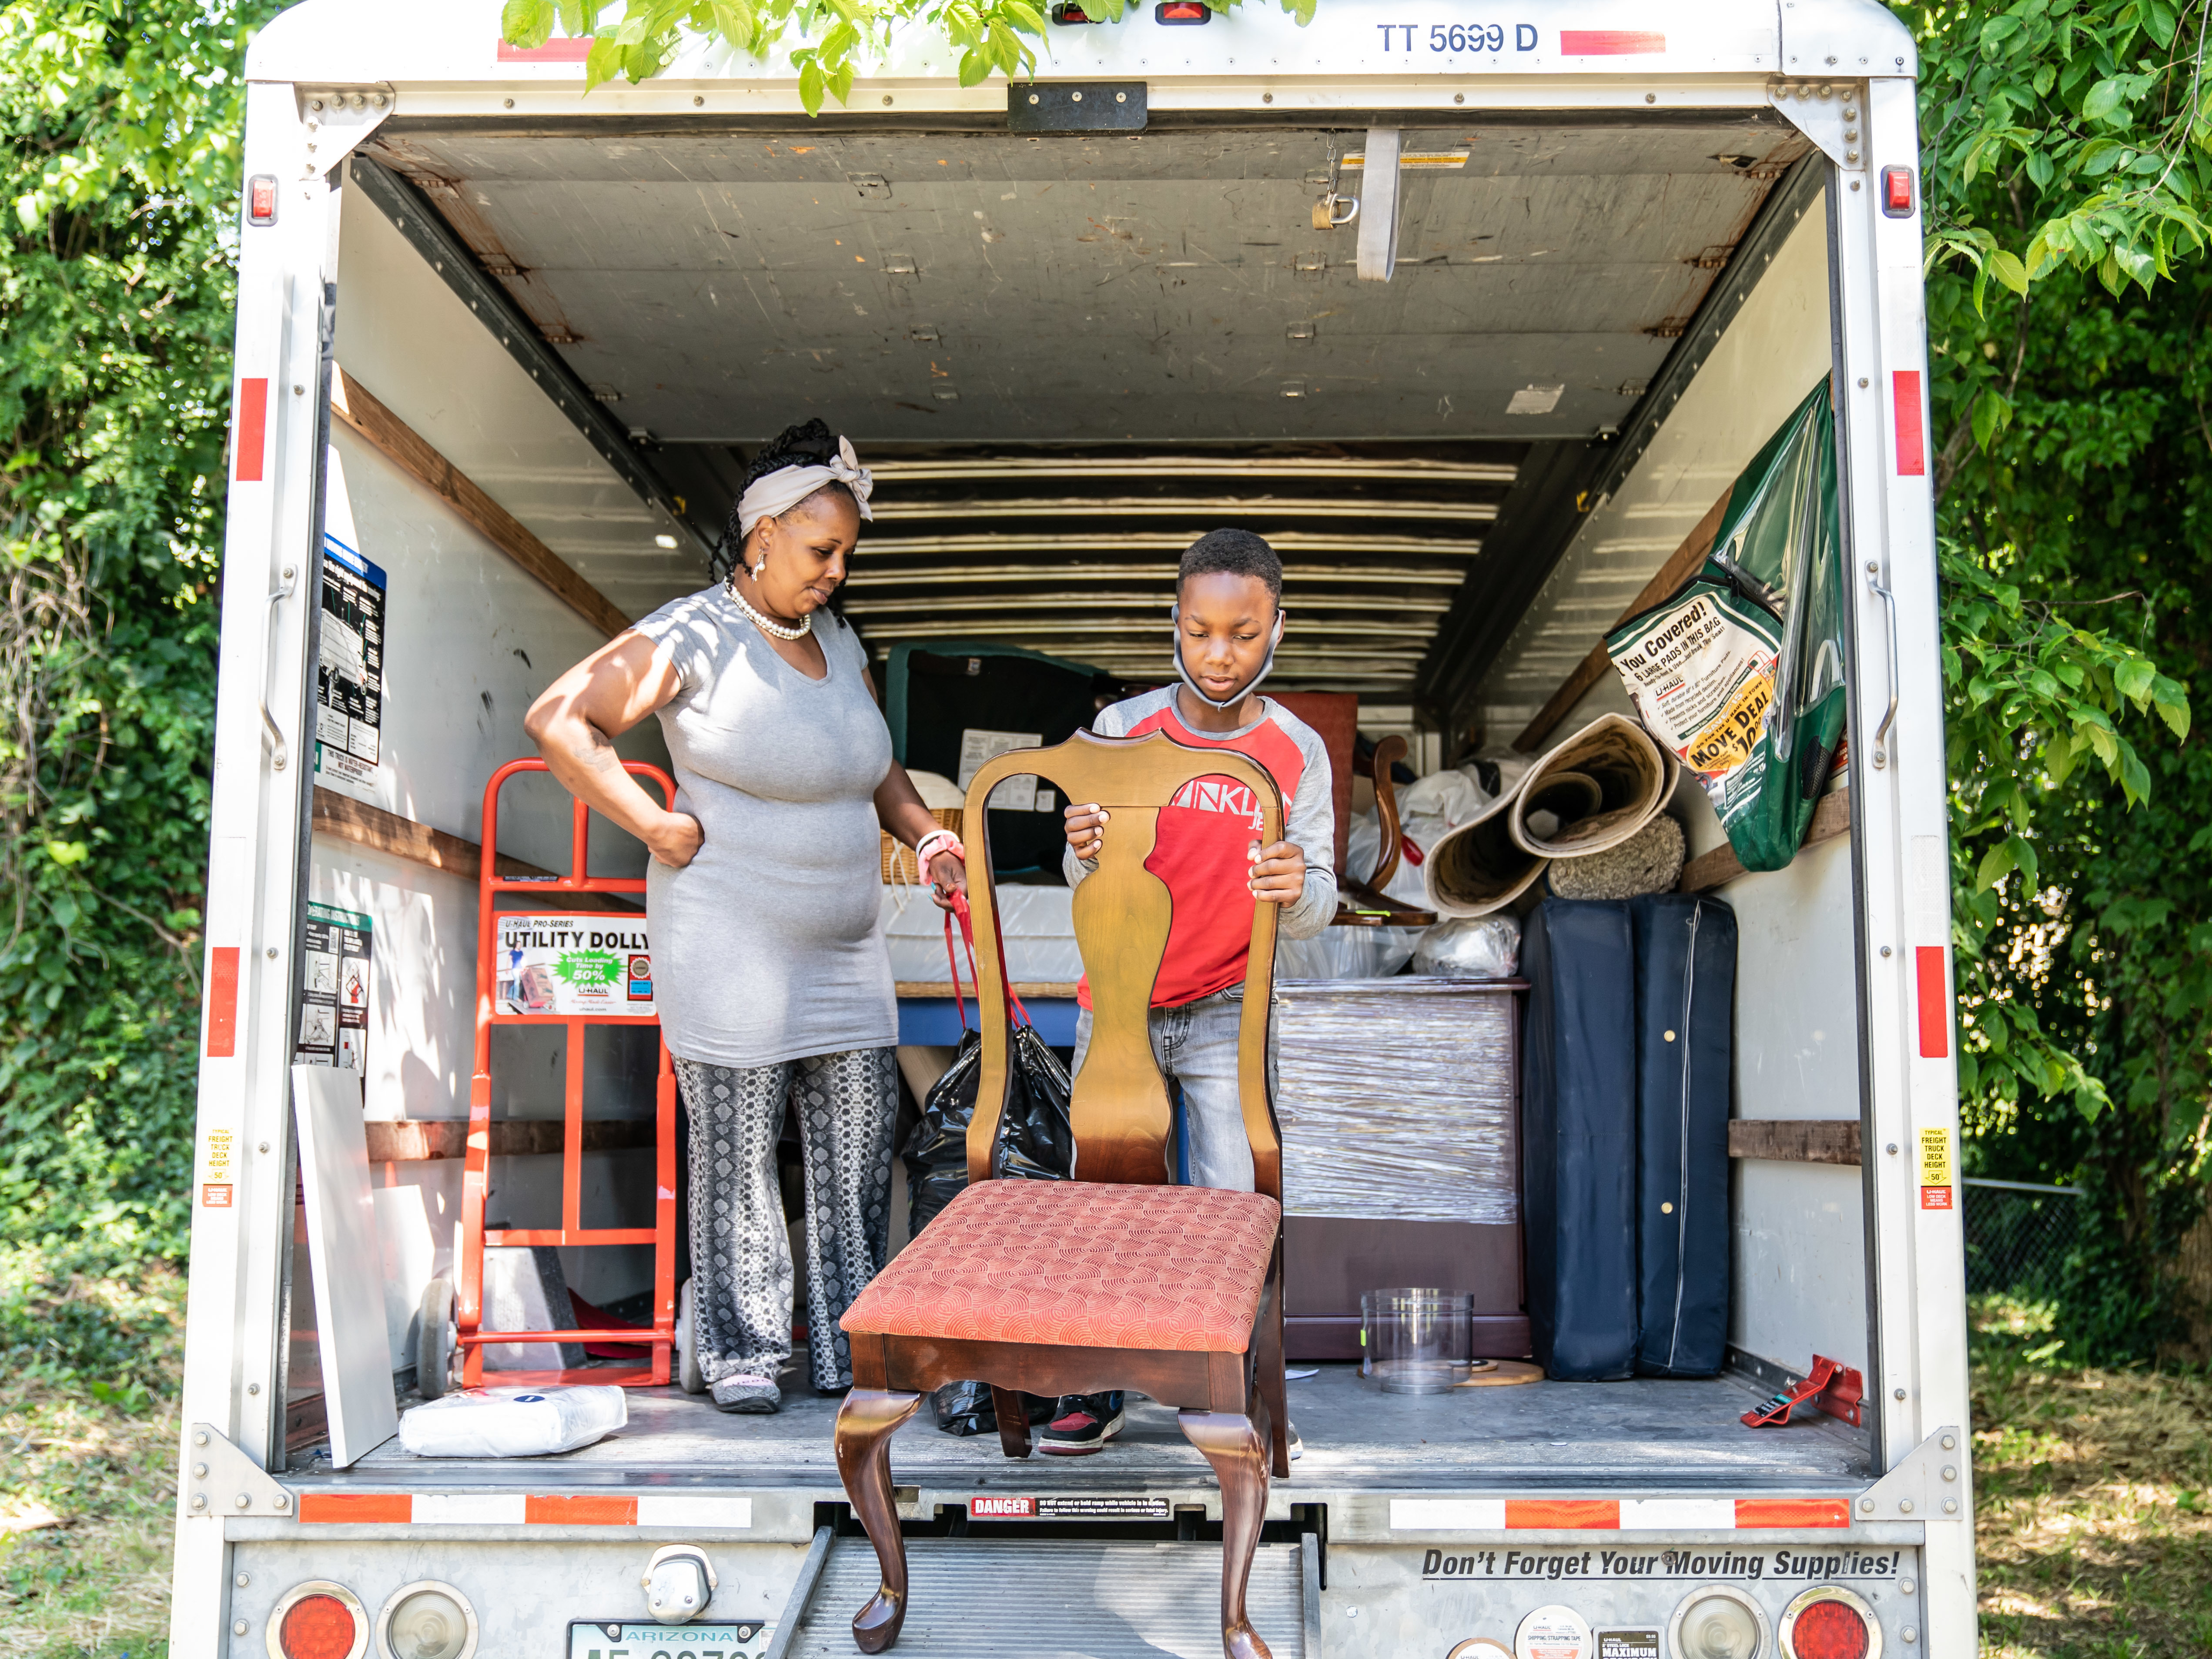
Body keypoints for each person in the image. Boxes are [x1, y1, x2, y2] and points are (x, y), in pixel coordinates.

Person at [523, 418, 965, 1414]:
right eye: (821, 551)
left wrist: (925, 835)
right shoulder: (693, 633)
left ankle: (851, 1346)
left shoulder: (838, 639)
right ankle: (741, 1351)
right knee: (737, 1154)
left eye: (846, 553)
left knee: (858, 1151)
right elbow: (561, 717)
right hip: (729, 940)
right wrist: (651, 821)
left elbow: (876, 766)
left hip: (844, 945)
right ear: (761, 533)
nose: (836, 572)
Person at [1043, 528, 1336, 1455]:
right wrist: (1078, 843)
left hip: (1224, 1013)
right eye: (1200, 630)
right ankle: (1096, 1387)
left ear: (1277, 629)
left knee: (1226, 1207)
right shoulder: (1121, 730)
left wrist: (1297, 887)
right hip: (1117, 1007)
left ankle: (1222, 1388)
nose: (1219, 654)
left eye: (1243, 634)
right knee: (1104, 1206)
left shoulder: (1295, 752)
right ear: (1172, 623)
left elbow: (1321, 900)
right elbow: (1074, 869)